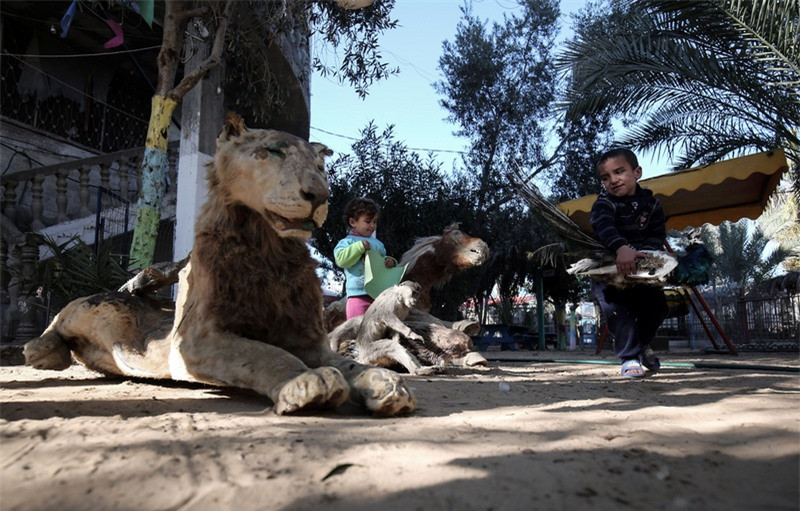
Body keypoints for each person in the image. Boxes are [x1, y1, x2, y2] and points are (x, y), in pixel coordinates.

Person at [589, 148, 669, 378]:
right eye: (605, 177)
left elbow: (657, 234)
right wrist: (621, 248)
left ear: (637, 172)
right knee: (618, 311)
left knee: (658, 307)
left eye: (619, 172)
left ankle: (642, 345)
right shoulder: (604, 203)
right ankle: (630, 357)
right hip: (608, 273)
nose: (613, 180)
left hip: (643, 273)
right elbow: (603, 226)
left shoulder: (652, 204)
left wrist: (648, 256)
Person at [334, 197, 397, 319]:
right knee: (358, 329)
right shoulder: (347, 242)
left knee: (380, 331)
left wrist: (390, 262)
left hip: (379, 296)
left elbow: (383, 262)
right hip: (357, 296)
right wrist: (359, 247)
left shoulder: (378, 244)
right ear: (353, 222)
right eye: (368, 222)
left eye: (375, 221)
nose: (372, 226)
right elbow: (341, 260)